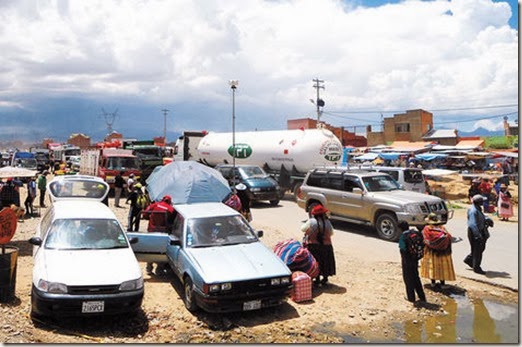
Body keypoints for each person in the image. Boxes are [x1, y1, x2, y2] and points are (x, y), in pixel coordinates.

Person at [301, 204, 336, 286]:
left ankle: (316, 279)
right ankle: (325, 278)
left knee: (316, 261)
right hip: (326, 246)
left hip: (314, 245)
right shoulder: (327, 222)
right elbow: (331, 233)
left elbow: (303, 229)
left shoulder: (311, 221)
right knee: (326, 261)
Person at [420, 213, 456, 290]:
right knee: (442, 268)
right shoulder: (442, 228)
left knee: (432, 266)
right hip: (442, 252)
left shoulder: (427, 229)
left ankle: (433, 283)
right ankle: (442, 284)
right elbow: (449, 237)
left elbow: (424, 240)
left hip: (431, 252)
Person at [142, 195, 176, 275]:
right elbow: (172, 221)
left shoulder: (155, 205)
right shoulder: (170, 209)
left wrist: (148, 218)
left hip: (151, 230)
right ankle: (159, 269)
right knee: (161, 251)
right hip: (162, 232)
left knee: (149, 250)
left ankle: (149, 268)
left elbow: (145, 213)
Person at [464, 195, 493, 275]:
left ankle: (469, 260)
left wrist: (488, 220)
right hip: (475, 232)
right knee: (478, 250)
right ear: (479, 202)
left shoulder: (477, 209)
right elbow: (473, 225)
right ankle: (477, 268)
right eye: (482, 201)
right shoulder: (473, 211)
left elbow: (482, 216)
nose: (483, 202)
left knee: (479, 249)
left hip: (478, 231)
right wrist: (478, 235)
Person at [398, 221, 426, 303]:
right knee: (416, 277)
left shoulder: (403, 236)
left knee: (408, 279)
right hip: (415, 259)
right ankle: (422, 297)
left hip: (407, 260)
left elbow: (402, 248)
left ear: (400, 229)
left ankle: (411, 298)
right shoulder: (416, 233)